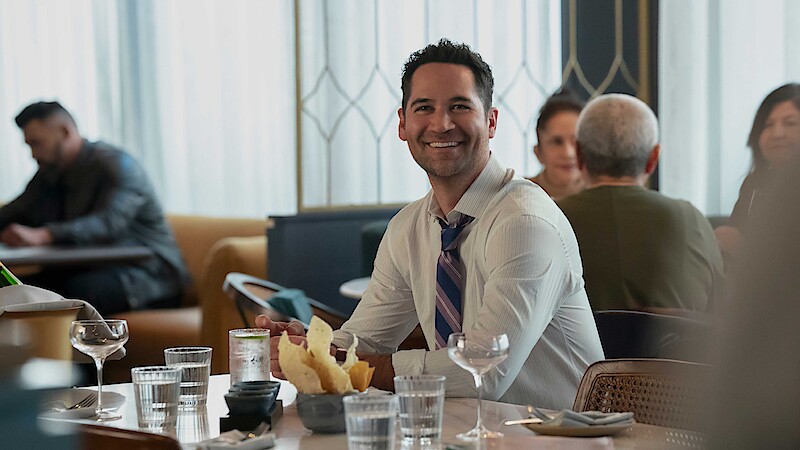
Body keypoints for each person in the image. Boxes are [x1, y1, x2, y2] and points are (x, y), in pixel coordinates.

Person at [258, 39, 604, 409]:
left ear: (491, 122)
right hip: (464, 435)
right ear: (403, 125)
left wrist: (354, 365)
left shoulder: (524, 221)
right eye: (424, 107)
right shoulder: (408, 228)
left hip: (562, 439)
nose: (441, 124)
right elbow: (366, 341)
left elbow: (482, 373)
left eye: (459, 106)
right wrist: (311, 349)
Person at [0, 101, 190, 315]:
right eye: (29, 145)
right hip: (89, 271)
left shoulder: (117, 165)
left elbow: (107, 223)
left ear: (64, 132)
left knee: (72, 295)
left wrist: (45, 235)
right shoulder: (49, 173)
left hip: (148, 277)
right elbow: (14, 211)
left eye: (37, 143)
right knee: (17, 290)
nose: (33, 154)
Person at [558, 94, 723, 312]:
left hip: (576, 348)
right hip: (675, 347)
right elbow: (721, 312)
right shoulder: (690, 219)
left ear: (579, 155)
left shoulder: (551, 219)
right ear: (653, 159)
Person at [714, 83, 800, 262]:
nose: (777, 133)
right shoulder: (753, 184)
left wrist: (745, 250)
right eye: (768, 125)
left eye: (790, 123)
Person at [527, 90, 587, 200]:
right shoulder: (518, 195)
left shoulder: (605, 198)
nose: (568, 153)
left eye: (576, 142)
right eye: (557, 142)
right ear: (538, 152)